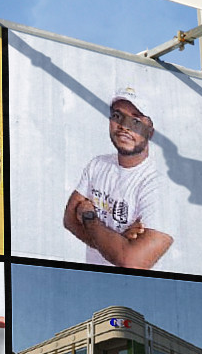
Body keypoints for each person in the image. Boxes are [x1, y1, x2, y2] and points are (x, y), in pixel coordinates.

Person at [63, 86, 174, 269]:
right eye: (117, 116)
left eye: (136, 121)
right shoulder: (98, 165)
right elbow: (69, 219)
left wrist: (88, 216)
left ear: (150, 131)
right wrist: (118, 242)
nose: (124, 126)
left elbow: (131, 262)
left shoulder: (159, 186)